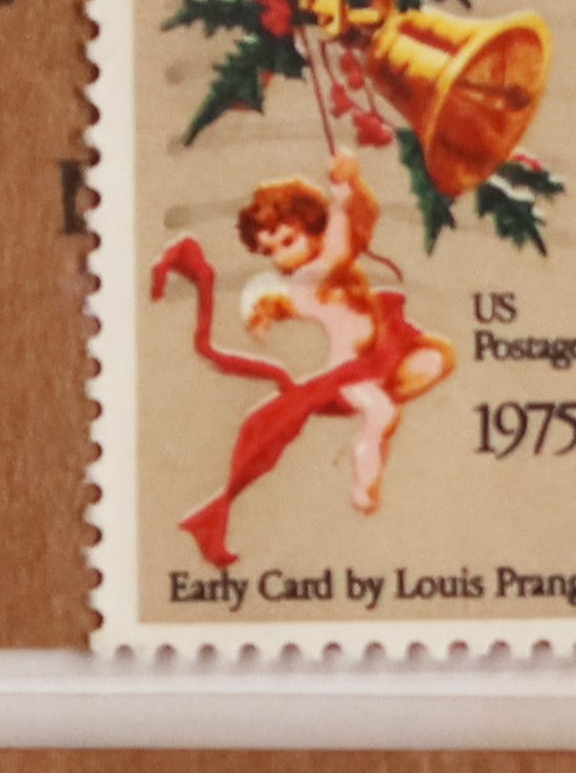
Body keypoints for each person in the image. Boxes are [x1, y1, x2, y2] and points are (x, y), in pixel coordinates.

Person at [146, 149, 459, 570]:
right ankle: (364, 480)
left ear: (313, 228)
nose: (281, 256)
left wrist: (350, 184)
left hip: (386, 348)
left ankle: (384, 417)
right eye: (270, 249)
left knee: (434, 360)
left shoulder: (325, 264)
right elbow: (317, 268)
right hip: (351, 371)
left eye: (288, 241)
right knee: (380, 412)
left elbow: (358, 220)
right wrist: (342, 195)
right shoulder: (308, 278)